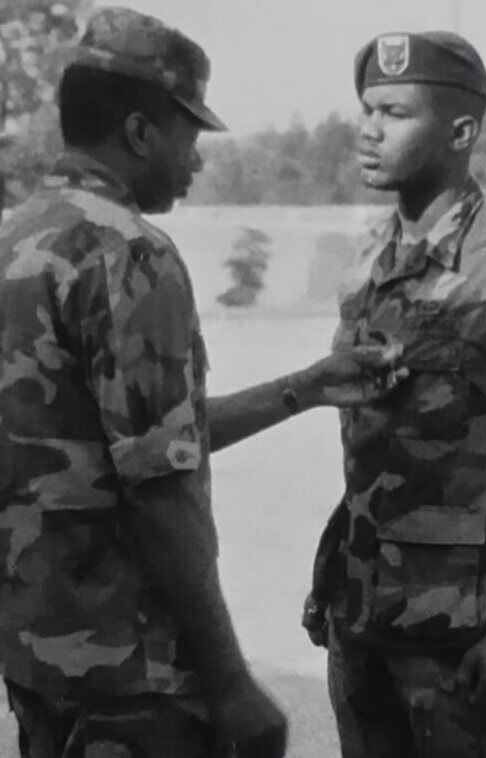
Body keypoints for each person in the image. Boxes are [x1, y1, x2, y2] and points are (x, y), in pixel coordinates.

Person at [0, 8, 409, 758]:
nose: (196, 159)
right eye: (189, 134)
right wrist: (228, 682)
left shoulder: (18, 235)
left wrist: (306, 386)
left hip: (37, 655)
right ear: (139, 133)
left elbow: (122, 440)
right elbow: (158, 489)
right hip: (131, 676)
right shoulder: (127, 252)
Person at [301, 30, 486, 758]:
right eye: (367, 109)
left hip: (466, 640)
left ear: (462, 131)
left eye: (396, 113)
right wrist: (333, 583)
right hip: (363, 622)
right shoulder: (374, 256)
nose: (369, 129)